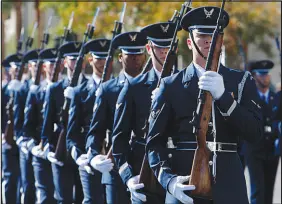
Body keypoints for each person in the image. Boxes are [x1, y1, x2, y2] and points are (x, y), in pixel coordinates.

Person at [145, 6, 262, 204]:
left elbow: (255, 132)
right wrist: (169, 181)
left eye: (215, 34)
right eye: (202, 35)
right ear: (190, 42)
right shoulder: (170, 85)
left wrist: (224, 98)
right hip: (185, 183)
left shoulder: (241, 81)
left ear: (222, 40)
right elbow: (154, 143)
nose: (209, 39)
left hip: (229, 184)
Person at [111, 22, 177, 203]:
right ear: (149, 48)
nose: (165, 51)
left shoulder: (185, 83)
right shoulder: (134, 87)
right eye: (159, 47)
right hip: (144, 169)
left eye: (169, 46)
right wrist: (129, 177)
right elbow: (119, 139)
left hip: (180, 170)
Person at [85, 32, 148, 204]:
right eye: (130, 55)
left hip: (146, 166)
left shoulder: (153, 86)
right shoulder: (108, 90)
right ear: (120, 57)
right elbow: (95, 130)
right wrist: (94, 156)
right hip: (116, 167)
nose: (136, 59)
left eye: (139, 54)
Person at [66, 38, 111, 204]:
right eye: (99, 59)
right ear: (90, 60)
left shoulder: (120, 87)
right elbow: (71, 135)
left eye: (106, 58)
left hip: (112, 156)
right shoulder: (80, 92)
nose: (103, 63)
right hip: (88, 155)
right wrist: (79, 157)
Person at [41, 41, 86, 203]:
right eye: (72, 60)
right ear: (65, 62)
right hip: (60, 149)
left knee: (83, 198)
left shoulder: (91, 87)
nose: (75, 63)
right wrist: (47, 147)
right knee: (63, 199)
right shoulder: (55, 89)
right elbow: (47, 122)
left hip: (82, 149)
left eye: (79, 59)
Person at [26, 48, 59, 204]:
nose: (53, 69)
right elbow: (28, 126)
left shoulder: (65, 90)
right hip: (40, 151)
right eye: (50, 65)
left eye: (56, 65)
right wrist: (35, 147)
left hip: (60, 151)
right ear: (44, 68)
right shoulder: (36, 92)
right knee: (44, 196)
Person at [245, 60, 279, 204]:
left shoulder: (276, 97)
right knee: (258, 191)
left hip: (272, 149)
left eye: (267, 75)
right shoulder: (249, 99)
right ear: (254, 77)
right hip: (254, 150)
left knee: (269, 191)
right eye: (261, 74)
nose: (265, 77)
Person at [15, 49, 41, 204]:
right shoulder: (22, 89)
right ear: (29, 67)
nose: (36, 68)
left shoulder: (46, 88)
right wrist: (23, 142)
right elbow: (17, 121)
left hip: (41, 145)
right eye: (34, 65)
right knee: (28, 187)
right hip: (26, 144)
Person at [1, 53, 23, 204]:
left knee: (24, 181)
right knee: (10, 178)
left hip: (21, 138)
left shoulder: (24, 88)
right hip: (6, 139)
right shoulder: (4, 89)